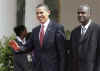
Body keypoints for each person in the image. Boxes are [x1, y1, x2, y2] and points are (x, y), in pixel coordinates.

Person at [9, 4, 66, 71]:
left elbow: (62, 53)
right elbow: (28, 47)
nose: (39, 15)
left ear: (48, 12)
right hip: (37, 68)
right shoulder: (35, 30)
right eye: (37, 13)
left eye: (41, 12)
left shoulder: (57, 28)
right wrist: (18, 48)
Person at [70, 4, 100, 71]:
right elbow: (72, 55)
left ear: (89, 14)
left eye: (83, 13)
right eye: (78, 13)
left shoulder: (97, 30)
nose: (80, 15)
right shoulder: (74, 32)